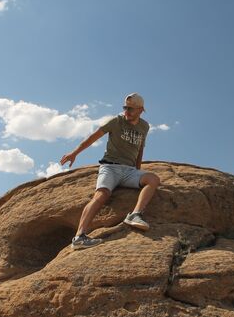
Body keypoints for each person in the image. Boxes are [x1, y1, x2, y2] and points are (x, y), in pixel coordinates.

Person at [60, 93, 161, 250]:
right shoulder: (116, 121)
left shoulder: (144, 126)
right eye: (125, 107)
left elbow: (140, 148)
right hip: (110, 167)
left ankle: (135, 215)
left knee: (153, 179)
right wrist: (74, 153)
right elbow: (93, 137)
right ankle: (79, 237)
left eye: (131, 109)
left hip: (129, 171)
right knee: (102, 195)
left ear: (140, 110)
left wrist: (138, 170)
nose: (126, 111)